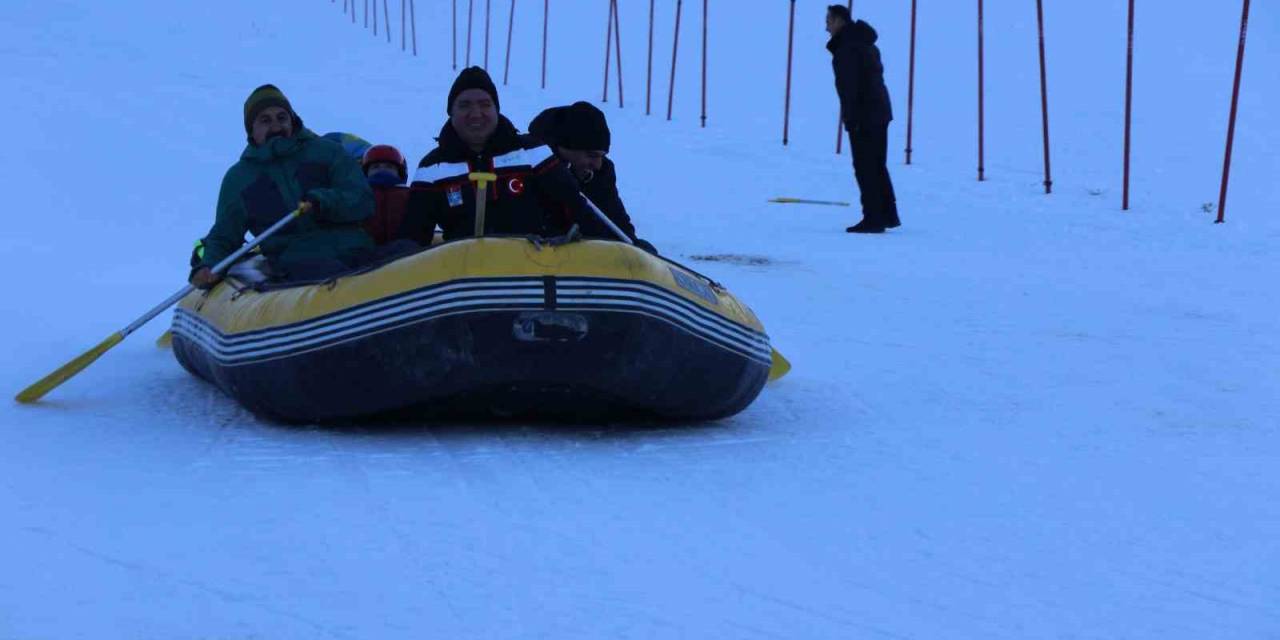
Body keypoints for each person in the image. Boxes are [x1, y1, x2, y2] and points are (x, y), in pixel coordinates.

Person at [190, 85, 374, 287]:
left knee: (404, 248)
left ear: (292, 119)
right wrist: (209, 266)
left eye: (282, 118)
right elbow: (224, 236)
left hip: (355, 249)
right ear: (252, 129)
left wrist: (324, 202)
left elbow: (362, 199)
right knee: (330, 272)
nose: (276, 127)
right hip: (297, 266)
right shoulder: (239, 179)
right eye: (265, 120)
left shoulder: (328, 152)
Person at [398, 67, 593, 245]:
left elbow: (575, 210)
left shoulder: (532, 152)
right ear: (451, 112)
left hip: (534, 270)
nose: (476, 114)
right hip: (465, 275)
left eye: (485, 104)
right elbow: (414, 237)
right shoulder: (432, 167)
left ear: (496, 109)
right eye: (464, 105)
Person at [528, 102, 655, 252]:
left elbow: (614, 218)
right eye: (591, 155)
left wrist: (633, 247)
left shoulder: (600, 173)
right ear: (565, 147)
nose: (598, 164)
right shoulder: (531, 166)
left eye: (601, 156)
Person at [826, 5, 901, 234]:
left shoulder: (848, 48)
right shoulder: (864, 42)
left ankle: (873, 218)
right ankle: (887, 214)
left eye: (829, 21)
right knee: (877, 164)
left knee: (865, 166)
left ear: (839, 21)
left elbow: (851, 88)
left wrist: (852, 118)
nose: (826, 27)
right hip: (879, 111)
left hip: (865, 114)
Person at [360, 144, 412, 245]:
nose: (382, 170)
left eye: (389, 167)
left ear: (400, 172)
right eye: (375, 167)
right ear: (366, 173)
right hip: (365, 252)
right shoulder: (358, 196)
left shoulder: (410, 196)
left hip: (404, 254)